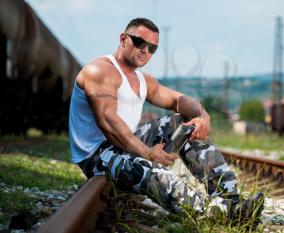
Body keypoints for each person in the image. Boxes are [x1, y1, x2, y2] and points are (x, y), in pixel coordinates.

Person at [69, 17, 264, 224]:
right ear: (123, 39)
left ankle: (230, 201)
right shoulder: (100, 70)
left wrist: (203, 116)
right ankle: (208, 214)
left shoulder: (142, 80)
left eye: (152, 48)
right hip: (98, 155)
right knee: (153, 171)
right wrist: (147, 153)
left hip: (127, 143)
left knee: (185, 122)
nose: (145, 50)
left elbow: (178, 100)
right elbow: (109, 124)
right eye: (139, 42)